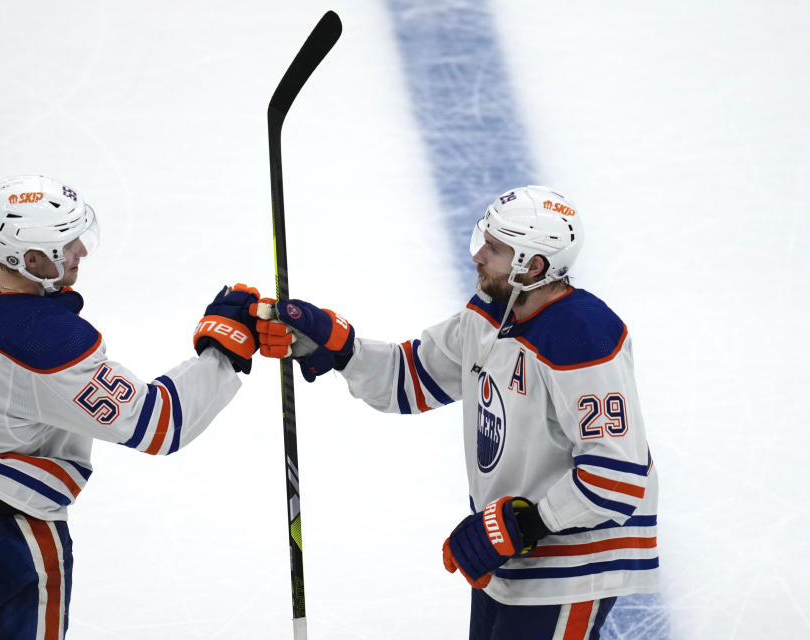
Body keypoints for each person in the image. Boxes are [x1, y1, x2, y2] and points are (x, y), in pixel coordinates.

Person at [254, 185, 659, 639]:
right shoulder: (491, 315)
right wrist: (340, 348)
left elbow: (618, 477)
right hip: (505, 551)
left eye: (495, 248)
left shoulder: (582, 335)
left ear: (535, 265)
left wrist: (529, 522)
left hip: (570, 565)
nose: (478, 255)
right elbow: (408, 378)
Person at [0, 175, 261, 639]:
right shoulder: (46, 343)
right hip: (6, 536)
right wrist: (224, 351)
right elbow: (161, 423)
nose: (80, 253)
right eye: (65, 244)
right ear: (29, 258)